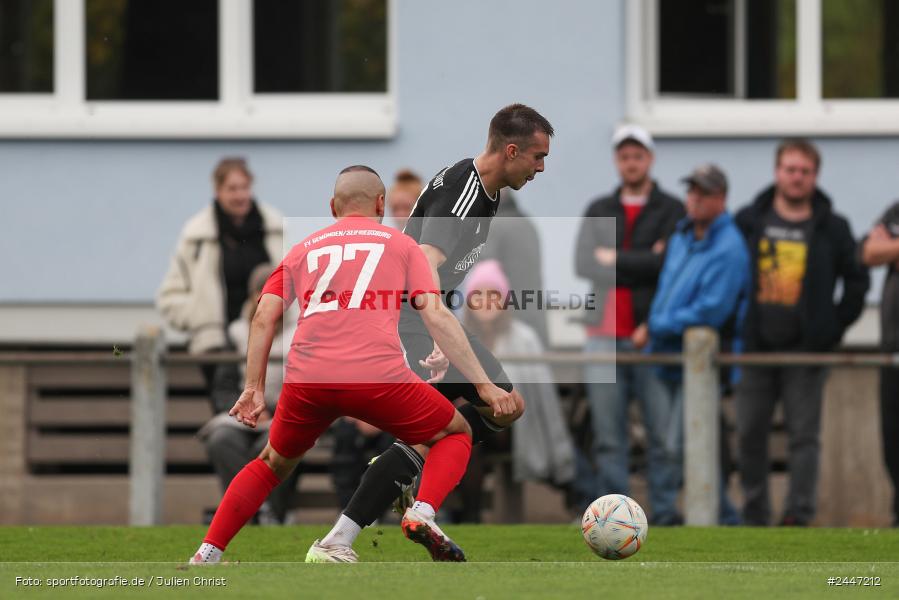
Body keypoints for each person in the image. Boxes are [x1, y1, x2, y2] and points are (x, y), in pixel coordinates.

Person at [188, 166, 516, 565]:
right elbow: (435, 314)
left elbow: (263, 316)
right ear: (381, 204)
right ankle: (423, 511)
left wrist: (253, 387)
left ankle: (207, 554)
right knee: (455, 431)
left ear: (333, 207)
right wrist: (483, 385)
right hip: (376, 378)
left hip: (308, 379)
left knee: (272, 462)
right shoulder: (400, 245)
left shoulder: (303, 249)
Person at [315, 103, 553, 552]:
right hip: (409, 321)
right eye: (538, 157)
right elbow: (423, 266)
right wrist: (438, 336)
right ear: (512, 150)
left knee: (501, 405)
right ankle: (360, 531)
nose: (541, 168)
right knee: (463, 417)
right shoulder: (466, 190)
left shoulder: (487, 189)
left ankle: (408, 508)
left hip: (423, 319)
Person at [735, 139, 869, 526]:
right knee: (749, 436)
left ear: (815, 176)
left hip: (807, 353)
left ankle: (798, 515)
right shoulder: (750, 219)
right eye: (790, 169)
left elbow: (857, 281)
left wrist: (833, 326)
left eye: (804, 171)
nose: (796, 177)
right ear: (778, 173)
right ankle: (755, 514)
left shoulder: (833, 226)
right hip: (756, 350)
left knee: (804, 439)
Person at [573, 124, 684, 517]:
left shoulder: (672, 209)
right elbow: (583, 262)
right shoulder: (599, 207)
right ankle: (614, 516)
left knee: (662, 435)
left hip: (648, 335)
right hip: (602, 334)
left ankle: (667, 512)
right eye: (624, 156)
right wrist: (643, 259)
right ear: (617, 161)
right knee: (607, 437)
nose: (631, 162)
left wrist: (614, 258)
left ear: (649, 160)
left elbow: (669, 266)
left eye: (638, 155)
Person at [639, 164, 750, 525]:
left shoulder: (730, 247)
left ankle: (675, 517)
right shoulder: (682, 236)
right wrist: (654, 326)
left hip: (700, 363)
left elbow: (711, 311)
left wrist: (655, 325)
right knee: (669, 444)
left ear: (721, 199)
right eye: (691, 191)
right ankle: (699, 516)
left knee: (677, 445)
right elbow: (667, 292)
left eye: (703, 193)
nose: (694, 198)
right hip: (665, 355)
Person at [157, 157, 283, 411]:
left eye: (244, 188)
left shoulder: (274, 228)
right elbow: (169, 296)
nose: (240, 195)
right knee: (227, 413)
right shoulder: (197, 235)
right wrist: (200, 317)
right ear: (218, 191)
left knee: (267, 413)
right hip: (218, 343)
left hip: (269, 336)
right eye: (232, 189)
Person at [456, 259, 575, 522]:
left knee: (469, 431)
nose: (486, 302)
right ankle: (468, 516)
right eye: (479, 294)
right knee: (463, 435)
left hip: (514, 423)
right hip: (469, 419)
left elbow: (540, 395)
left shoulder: (524, 338)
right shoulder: (456, 336)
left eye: (493, 294)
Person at [197, 263, 299, 525]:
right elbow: (224, 384)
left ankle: (270, 512)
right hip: (242, 417)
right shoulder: (236, 333)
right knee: (221, 440)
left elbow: (303, 384)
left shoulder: (300, 331)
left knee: (276, 444)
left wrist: (273, 410)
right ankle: (251, 511)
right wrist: (245, 410)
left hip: (282, 415)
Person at [861, 203, 899, 526]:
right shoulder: (896, 211)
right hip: (892, 352)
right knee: (893, 445)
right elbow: (871, 252)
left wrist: (893, 248)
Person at [480, 189, 550, 345]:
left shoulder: (494, 226)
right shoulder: (528, 224)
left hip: (505, 327)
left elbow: (483, 278)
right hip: (534, 318)